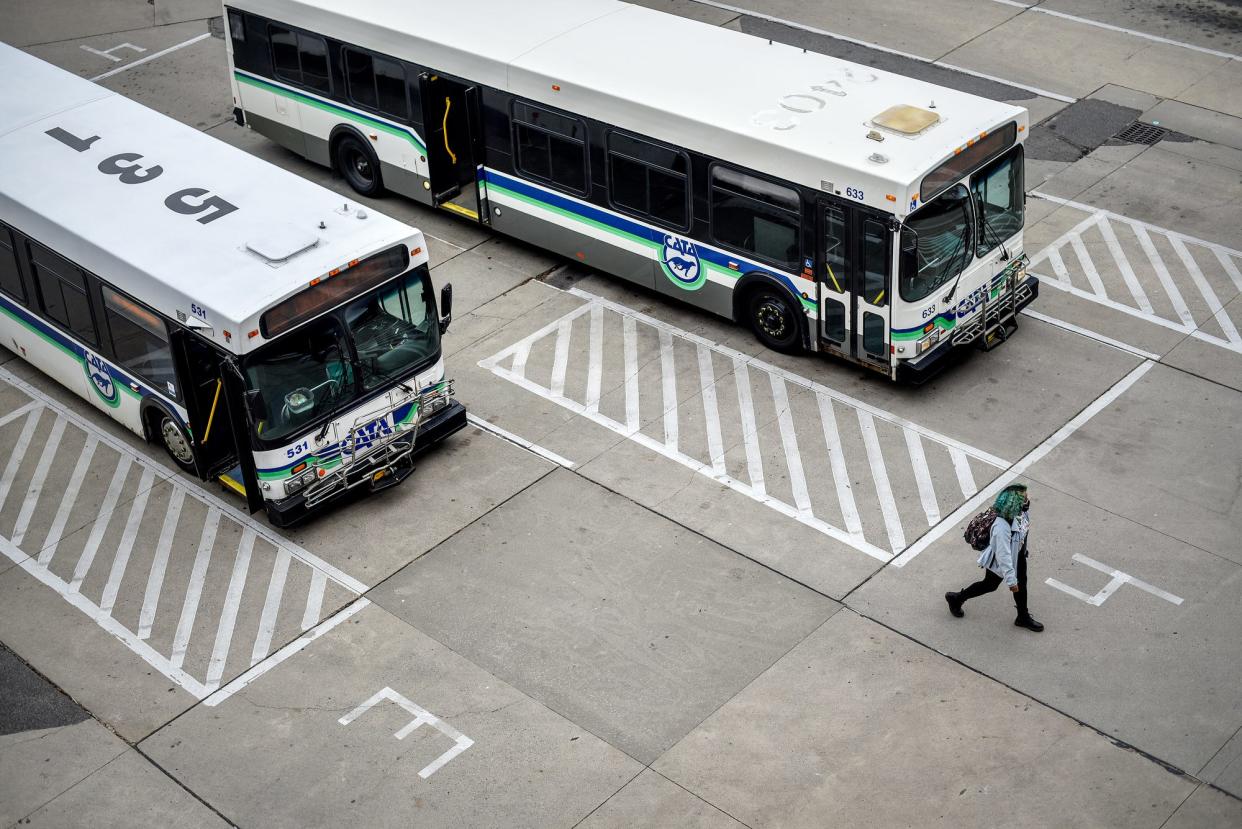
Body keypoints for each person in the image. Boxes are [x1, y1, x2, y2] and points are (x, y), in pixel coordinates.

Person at [945, 484, 1043, 632]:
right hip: (1001, 560)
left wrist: (1023, 550)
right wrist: (1011, 581)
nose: (1028, 499)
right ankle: (957, 598)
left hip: (1018, 554)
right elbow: (1003, 556)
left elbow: (1022, 532)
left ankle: (1022, 616)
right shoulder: (1001, 527)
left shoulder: (1020, 513)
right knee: (990, 585)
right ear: (1014, 503)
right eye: (1025, 498)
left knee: (1022, 583)